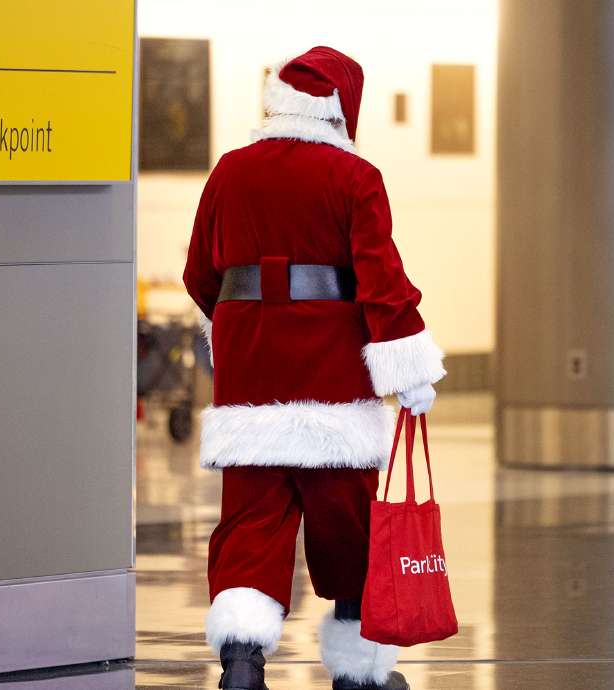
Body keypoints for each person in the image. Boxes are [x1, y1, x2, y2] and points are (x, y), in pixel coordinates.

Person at [183, 46, 445, 690]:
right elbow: (381, 282)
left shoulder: (230, 172)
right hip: (332, 377)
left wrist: (243, 332)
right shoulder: (354, 177)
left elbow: (199, 274)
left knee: (251, 516)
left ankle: (242, 662)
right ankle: (359, 671)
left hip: (252, 379)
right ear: (341, 112)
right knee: (348, 521)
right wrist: (410, 367)